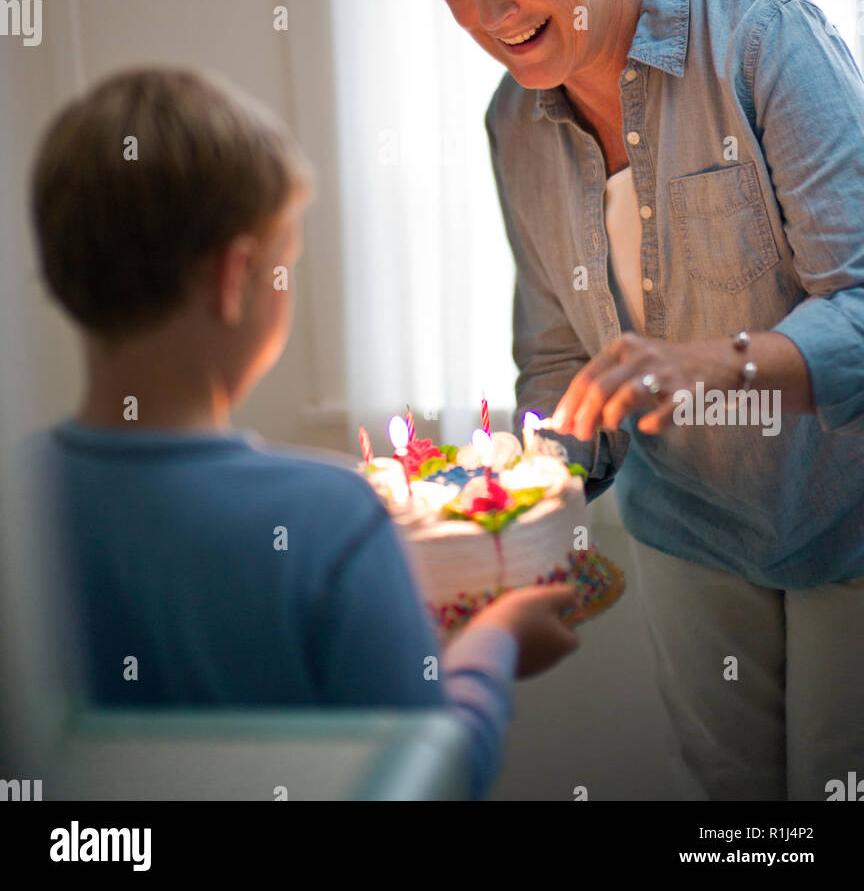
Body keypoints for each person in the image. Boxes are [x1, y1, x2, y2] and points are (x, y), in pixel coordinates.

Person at [385, 0, 864, 802]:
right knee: (728, 793)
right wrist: (504, 522)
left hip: (847, 507)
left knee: (835, 784)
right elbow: (560, 363)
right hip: (687, 518)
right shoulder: (513, 124)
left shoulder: (762, 42)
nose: (492, 10)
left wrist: (700, 366)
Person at [27, 66, 580, 802]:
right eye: (285, 265)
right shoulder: (329, 518)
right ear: (238, 276)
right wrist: (493, 642)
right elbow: (430, 777)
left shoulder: (18, 498)